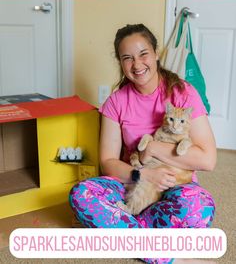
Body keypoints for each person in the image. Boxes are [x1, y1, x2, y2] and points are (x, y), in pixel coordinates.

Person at [69, 24, 216, 264]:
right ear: (120, 63)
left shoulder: (184, 93)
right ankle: (168, 256)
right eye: (127, 58)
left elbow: (208, 160)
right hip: (134, 185)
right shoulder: (116, 102)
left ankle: (125, 232)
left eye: (143, 54)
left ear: (156, 53)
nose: (137, 65)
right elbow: (107, 162)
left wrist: (154, 149)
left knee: (200, 207)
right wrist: (144, 175)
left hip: (174, 187)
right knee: (82, 195)